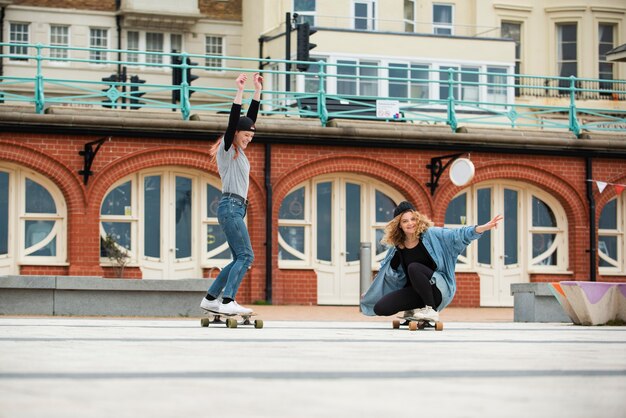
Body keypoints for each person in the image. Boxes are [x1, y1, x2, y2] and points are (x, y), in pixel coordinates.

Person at [360, 201, 503, 320]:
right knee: (380, 307)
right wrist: (371, 292)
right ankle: (412, 309)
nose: (410, 223)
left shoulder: (431, 234)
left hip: (438, 291)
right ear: (399, 225)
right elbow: (385, 274)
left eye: (413, 219)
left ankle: (431, 310)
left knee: (414, 268)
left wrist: (481, 228)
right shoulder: (397, 247)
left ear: (418, 219)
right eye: (405, 221)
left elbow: (458, 235)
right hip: (416, 292)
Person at [200, 72, 263, 316]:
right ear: (236, 133)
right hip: (231, 207)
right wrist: (240, 91)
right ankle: (228, 301)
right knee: (246, 256)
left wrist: (257, 91)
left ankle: (210, 299)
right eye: (246, 135)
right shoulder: (227, 149)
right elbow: (234, 120)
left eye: (251, 136)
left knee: (238, 256)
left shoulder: (240, 150)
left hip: (234, 208)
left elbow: (250, 118)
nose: (249, 139)